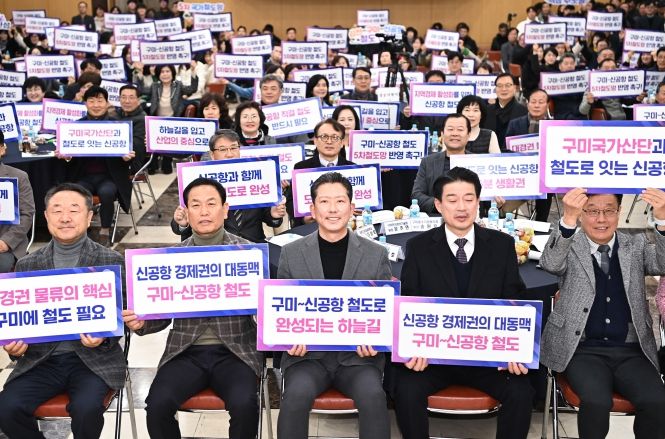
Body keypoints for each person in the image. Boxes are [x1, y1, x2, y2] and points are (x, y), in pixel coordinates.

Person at [394, 166, 533, 439]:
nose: (461, 207)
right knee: (407, 389)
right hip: (434, 359)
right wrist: (412, 349)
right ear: (438, 205)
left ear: (478, 202)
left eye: (469, 199)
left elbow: (515, 301)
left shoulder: (502, 245)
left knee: (521, 391)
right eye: (452, 199)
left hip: (488, 358)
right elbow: (408, 302)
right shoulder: (419, 247)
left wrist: (517, 349)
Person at [123, 177, 263, 439]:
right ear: (186, 213)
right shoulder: (171, 259)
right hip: (185, 352)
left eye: (211, 204)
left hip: (236, 352)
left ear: (225, 209)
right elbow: (161, 314)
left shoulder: (249, 255)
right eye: (196, 205)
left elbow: (265, 313)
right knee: (157, 405)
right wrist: (142, 322)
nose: (204, 211)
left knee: (245, 404)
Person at [0, 183, 126, 439]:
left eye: (74, 210)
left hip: (92, 362)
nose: (65, 218)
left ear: (89, 217)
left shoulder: (111, 261)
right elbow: (20, 322)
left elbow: (122, 317)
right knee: (6, 408)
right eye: (57, 211)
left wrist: (104, 337)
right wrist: (15, 347)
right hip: (41, 361)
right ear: (46, 217)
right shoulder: (27, 265)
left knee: (87, 409)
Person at [540, 187, 665, 439]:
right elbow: (550, 264)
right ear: (582, 213)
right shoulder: (569, 243)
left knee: (656, 401)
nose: (601, 219)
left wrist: (662, 220)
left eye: (609, 211)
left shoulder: (636, 244)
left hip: (631, 350)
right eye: (592, 211)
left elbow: (661, 263)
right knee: (596, 401)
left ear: (619, 212)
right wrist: (568, 219)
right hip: (582, 349)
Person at [277, 172, 392, 439]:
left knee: (374, 396)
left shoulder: (376, 254)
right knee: (294, 397)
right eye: (324, 201)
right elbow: (280, 308)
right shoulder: (291, 253)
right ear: (312, 209)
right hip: (306, 357)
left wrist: (376, 340)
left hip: (358, 359)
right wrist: (287, 337)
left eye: (340, 201)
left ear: (352, 208)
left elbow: (386, 311)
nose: (332, 209)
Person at [171, 129, 285, 242]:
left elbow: (270, 218)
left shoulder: (255, 176)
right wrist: (182, 224)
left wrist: (274, 214)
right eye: (223, 149)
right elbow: (181, 223)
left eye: (234, 148)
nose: (230, 154)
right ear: (212, 154)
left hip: (254, 245)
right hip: (216, 246)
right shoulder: (199, 181)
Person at [62, 86, 134, 244]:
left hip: (109, 177)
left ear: (107, 103)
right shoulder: (74, 127)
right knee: (78, 194)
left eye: (100, 101)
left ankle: (105, 230)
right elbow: (69, 160)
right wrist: (67, 156)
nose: (96, 105)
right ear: (85, 103)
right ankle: (81, 229)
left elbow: (132, 159)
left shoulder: (118, 127)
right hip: (84, 177)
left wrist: (126, 158)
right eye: (91, 101)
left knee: (107, 193)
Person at [411, 114, 472, 213]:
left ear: (469, 134)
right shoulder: (428, 162)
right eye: (450, 129)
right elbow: (417, 195)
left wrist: (497, 202)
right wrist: (441, 204)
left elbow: (486, 199)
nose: (455, 133)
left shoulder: (479, 162)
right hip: (437, 217)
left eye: (460, 130)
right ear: (442, 134)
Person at [0, 130, 35, 273]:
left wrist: (6, 242)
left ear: (2, 149)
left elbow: (27, 214)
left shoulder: (19, 177)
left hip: (7, 244)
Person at [483, 73, 527, 148]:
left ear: (515, 88)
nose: (503, 89)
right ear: (495, 89)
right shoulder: (487, 110)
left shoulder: (523, 111)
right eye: (500, 86)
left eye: (508, 85)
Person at [116, 84, 148, 174]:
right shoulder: (116, 114)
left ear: (138, 100)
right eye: (123, 97)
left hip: (131, 164)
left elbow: (136, 147)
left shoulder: (142, 119)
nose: (127, 101)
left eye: (131, 97)